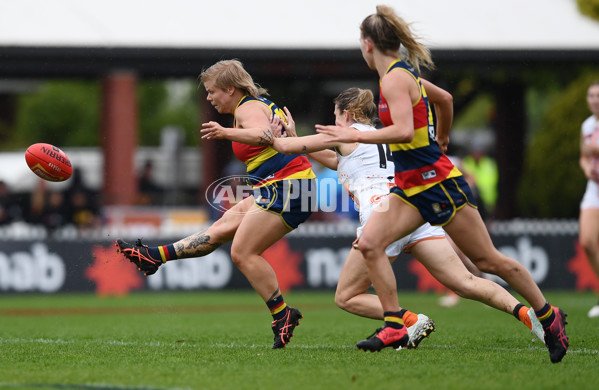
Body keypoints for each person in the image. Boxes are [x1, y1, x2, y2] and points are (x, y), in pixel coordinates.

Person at [315, 5, 568, 363]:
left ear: (369, 44)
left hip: (437, 184)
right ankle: (396, 324)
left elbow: (403, 131)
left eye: (360, 42)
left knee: (487, 260)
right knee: (370, 243)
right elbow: (445, 100)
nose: (360, 48)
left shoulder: (393, 80)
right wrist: (443, 136)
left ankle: (546, 314)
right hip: (408, 189)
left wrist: (356, 137)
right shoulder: (402, 75)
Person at [269, 86, 543, 348]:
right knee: (466, 282)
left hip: (382, 221)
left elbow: (285, 148)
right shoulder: (382, 137)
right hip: (412, 215)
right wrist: (294, 136)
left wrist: (274, 135)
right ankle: (527, 315)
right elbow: (334, 160)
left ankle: (410, 321)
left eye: (336, 115)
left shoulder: (347, 135)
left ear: (348, 115)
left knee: (347, 296)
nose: (334, 120)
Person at [116, 59, 318, 349]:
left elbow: (266, 136)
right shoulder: (251, 106)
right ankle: (154, 256)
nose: (209, 98)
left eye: (212, 91)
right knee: (221, 228)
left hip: (289, 186)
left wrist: (226, 132)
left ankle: (282, 314)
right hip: (282, 185)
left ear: (231, 89)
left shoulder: (248, 108)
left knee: (243, 253)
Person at [579, 81, 599, 318]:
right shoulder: (587, 125)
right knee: (587, 241)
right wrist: (586, 169)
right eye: (591, 95)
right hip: (594, 188)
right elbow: (584, 156)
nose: (595, 99)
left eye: (598, 95)